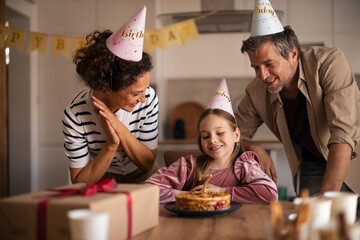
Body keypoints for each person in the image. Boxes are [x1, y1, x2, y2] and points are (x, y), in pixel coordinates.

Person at [235, 0, 360, 196]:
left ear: (293, 53)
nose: (263, 75)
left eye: (269, 64)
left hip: (352, 154)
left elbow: (343, 133)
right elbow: (232, 135)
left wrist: (327, 198)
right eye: (256, 67)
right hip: (311, 164)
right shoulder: (256, 91)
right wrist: (253, 147)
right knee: (312, 222)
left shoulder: (329, 63)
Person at [62, 6, 159, 184]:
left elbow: (147, 162)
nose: (143, 98)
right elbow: (79, 181)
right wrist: (111, 145)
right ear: (107, 87)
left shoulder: (149, 99)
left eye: (145, 89)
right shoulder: (75, 114)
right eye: (136, 93)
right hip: (104, 184)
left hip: (147, 181)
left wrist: (119, 127)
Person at [143, 79, 278, 203]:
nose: (213, 140)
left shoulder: (245, 167)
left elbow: (270, 193)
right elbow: (148, 189)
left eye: (220, 133)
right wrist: (191, 197)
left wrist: (222, 192)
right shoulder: (188, 167)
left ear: (236, 135)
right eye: (205, 136)